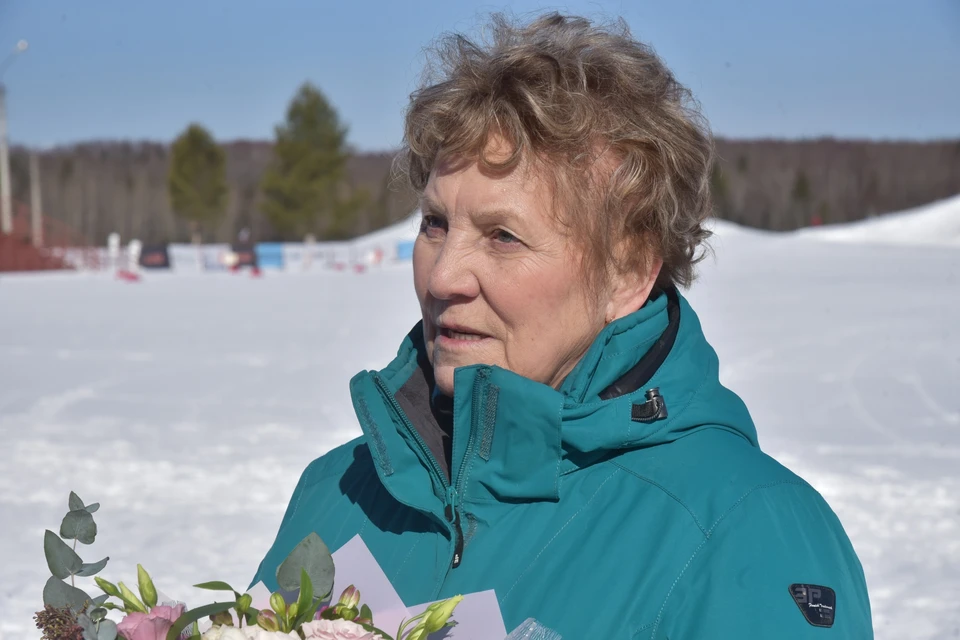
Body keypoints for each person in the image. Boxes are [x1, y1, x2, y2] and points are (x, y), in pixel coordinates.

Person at [253, 13, 872, 639]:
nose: (443, 278)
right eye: (435, 223)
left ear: (627, 270)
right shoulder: (339, 492)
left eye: (502, 237)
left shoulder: (741, 531)